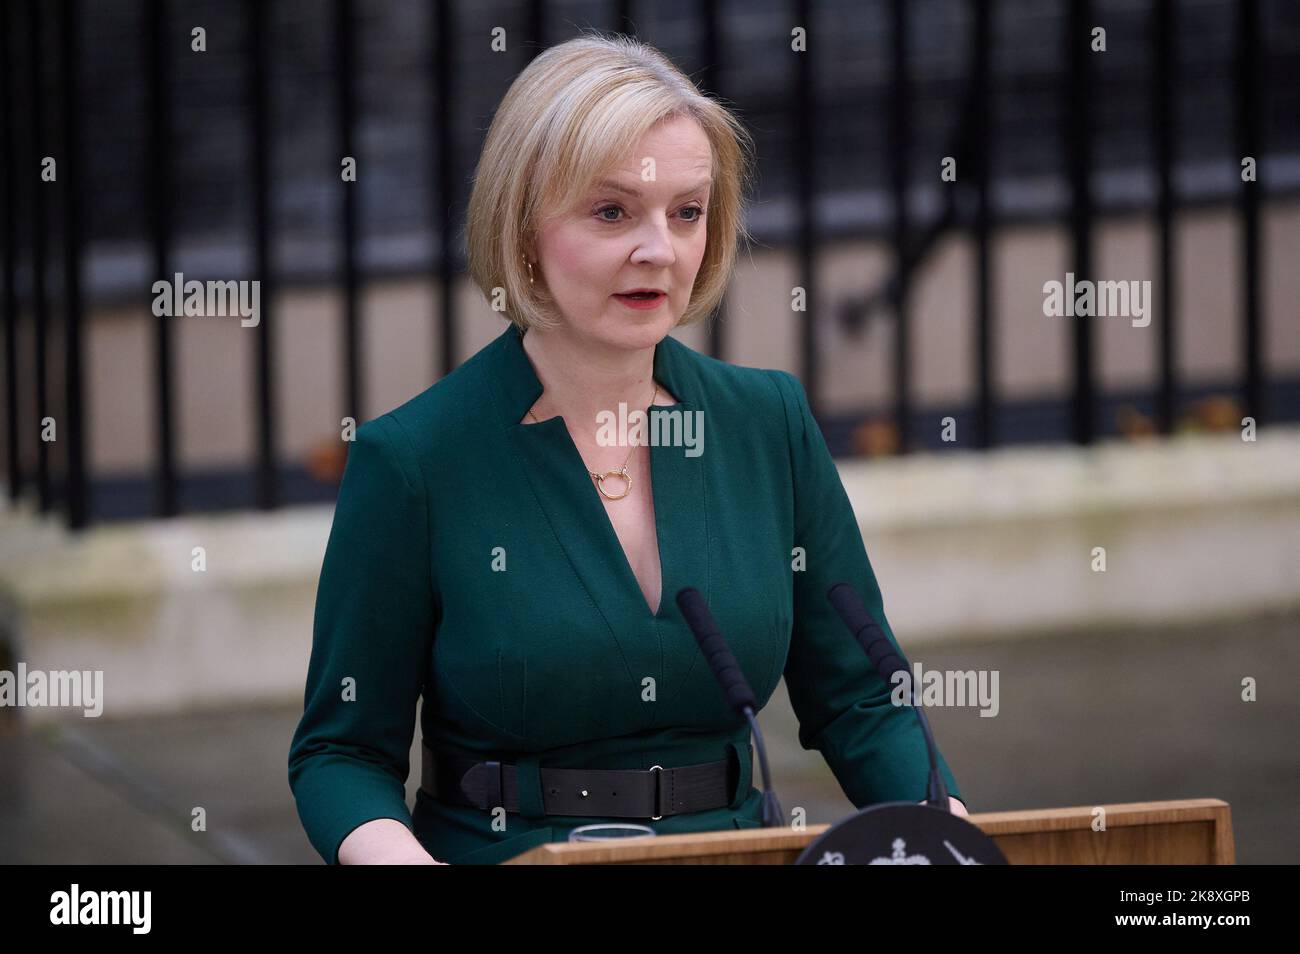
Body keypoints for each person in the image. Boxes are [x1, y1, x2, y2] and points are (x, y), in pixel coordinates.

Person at [288, 31, 965, 866]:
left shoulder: (767, 423)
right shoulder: (415, 461)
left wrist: (954, 834)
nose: (660, 249)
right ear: (522, 221)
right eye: (612, 212)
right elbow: (341, 755)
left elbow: (864, 698)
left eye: (687, 212)